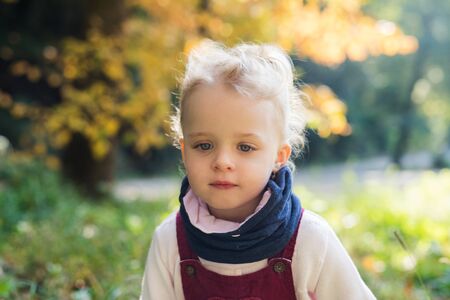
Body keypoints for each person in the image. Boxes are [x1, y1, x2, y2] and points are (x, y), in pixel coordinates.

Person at [140, 40, 376, 300]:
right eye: (204, 145)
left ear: (279, 156)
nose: (222, 161)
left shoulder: (310, 241)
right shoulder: (170, 242)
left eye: (245, 147)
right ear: (184, 151)